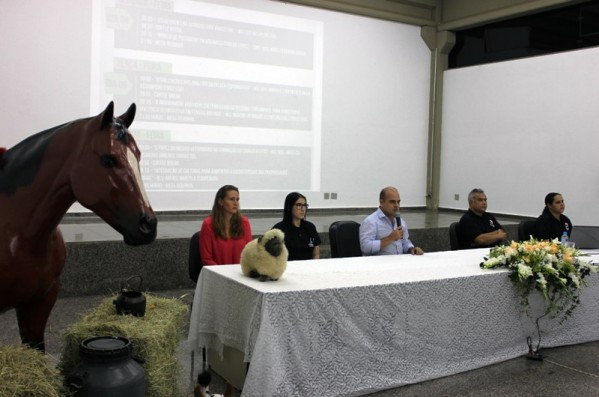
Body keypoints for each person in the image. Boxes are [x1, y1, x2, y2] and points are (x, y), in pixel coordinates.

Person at [359, 186, 424, 256]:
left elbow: (405, 241)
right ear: (382, 202)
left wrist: (411, 249)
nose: (396, 205)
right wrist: (390, 238)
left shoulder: (401, 222)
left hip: (398, 263)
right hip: (378, 265)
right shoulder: (371, 221)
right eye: (392, 202)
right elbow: (365, 247)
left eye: (398, 202)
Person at [199, 185, 252, 265]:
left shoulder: (244, 222)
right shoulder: (208, 224)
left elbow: (249, 253)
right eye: (231, 199)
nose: (236, 203)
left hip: (239, 273)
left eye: (237, 200)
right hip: (218, 273)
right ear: (220, 202)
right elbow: (206, 259)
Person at [272, 192, 321, 261]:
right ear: (289, 207)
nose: (303, 209)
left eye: (304, 205)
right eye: (299, 205)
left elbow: (316, 254)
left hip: (309, 267)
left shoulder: (310, 227)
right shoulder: (279, 229)